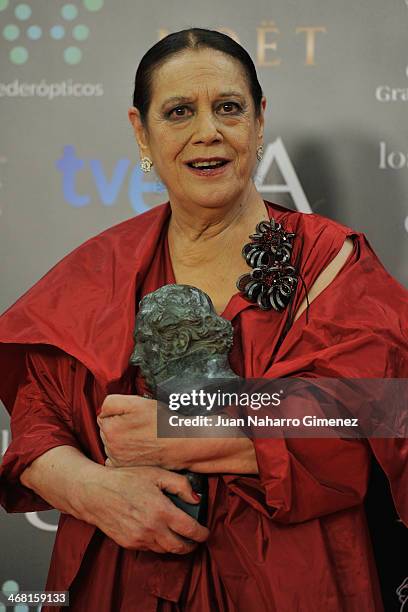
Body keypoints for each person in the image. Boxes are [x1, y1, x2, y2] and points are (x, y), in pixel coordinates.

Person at [0, 27, 406, 612]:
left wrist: (174, 423)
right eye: (179, 111)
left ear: (259, 121)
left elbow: (382, 409)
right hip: (125, 577)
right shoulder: (103, 268)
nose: (206, 132)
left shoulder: (329, 260)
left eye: (229, 108)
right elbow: (36, 427)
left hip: (294, 581)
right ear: (142, 130)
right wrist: (94, 490)